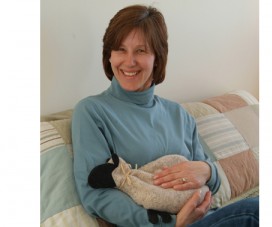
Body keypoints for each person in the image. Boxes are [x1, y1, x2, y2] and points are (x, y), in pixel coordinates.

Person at [72, 4, 259, 227]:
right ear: (109, 56)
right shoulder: (92, 111)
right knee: (255, 211)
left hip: (208, 218)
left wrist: (207, 170)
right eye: (120, 49)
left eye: (141, 51)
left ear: (157, 58)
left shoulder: (179, 114)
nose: (129, 61)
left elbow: (213, 182)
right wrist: (171, 224)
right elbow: (95, 193)